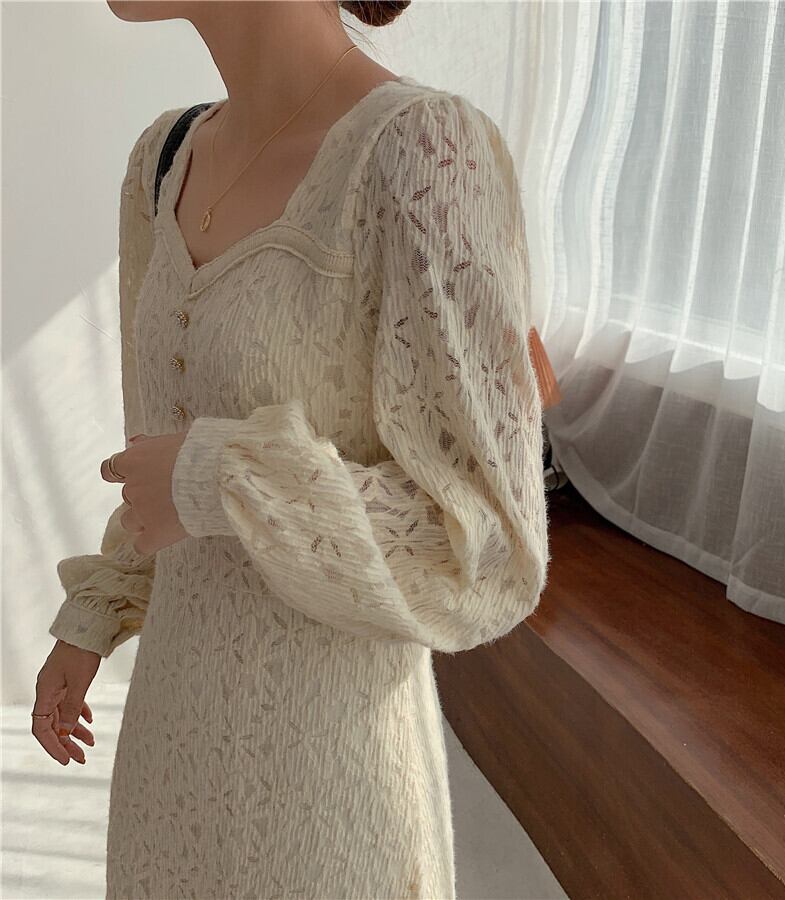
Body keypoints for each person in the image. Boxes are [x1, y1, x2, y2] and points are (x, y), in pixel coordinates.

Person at [32, 1, 551, 897]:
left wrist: (221, 479)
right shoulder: (162, 161)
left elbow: (490, 549)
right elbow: (158, 455)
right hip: (166, 771)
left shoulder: (423, 156)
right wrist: (98, 612)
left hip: (332, 806)